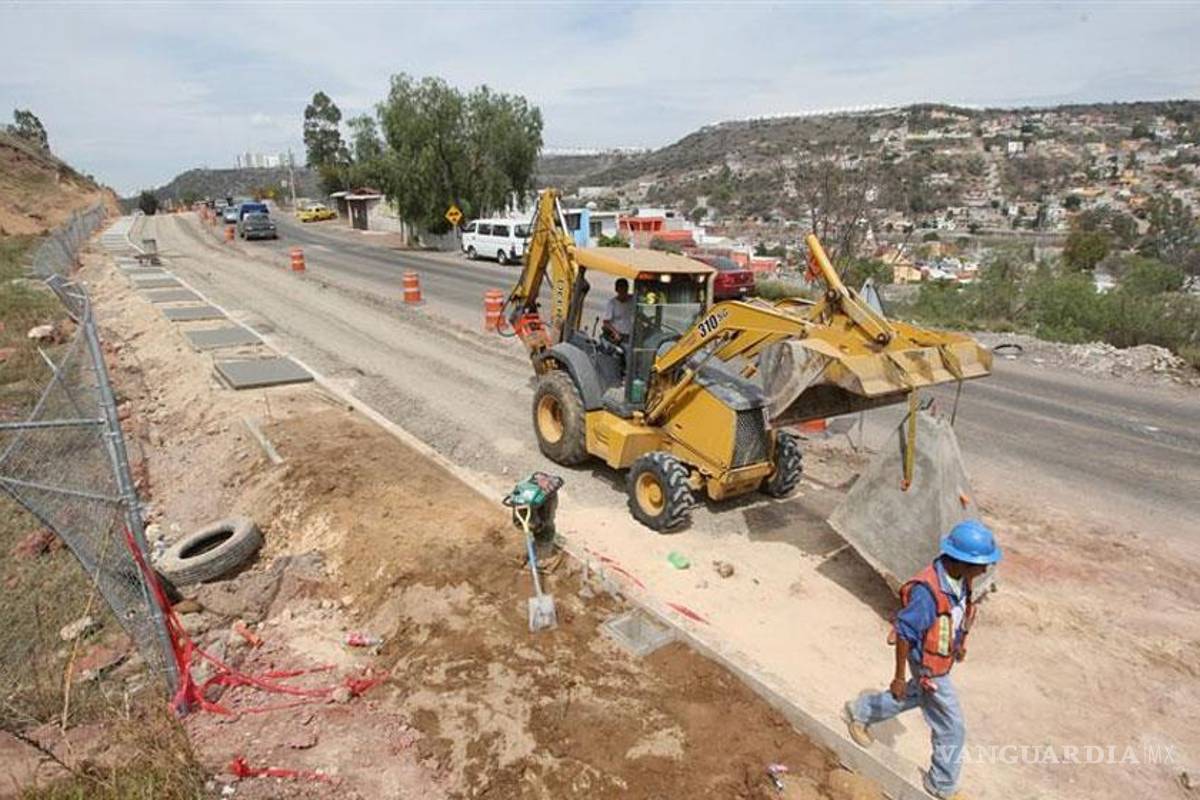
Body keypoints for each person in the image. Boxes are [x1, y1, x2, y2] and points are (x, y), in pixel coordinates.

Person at [845, 519, 1002, 800]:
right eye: (981, 565)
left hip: (939, 662)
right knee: (952, 727)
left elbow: (955, 617)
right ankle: (941, 784)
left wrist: (958, 646)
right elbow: (905, 633)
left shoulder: (960, 580)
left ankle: (860, 711)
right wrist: (898, 676)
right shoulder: (927, 593)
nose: (985, 570)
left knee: (910, 697)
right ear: (963, 561)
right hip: (929, 669)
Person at [602, 278, 634, 344]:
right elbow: (606, 322)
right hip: (618, 336)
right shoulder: (612, 303)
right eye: (620, 288)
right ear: (616, 289)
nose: (623, 290)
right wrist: (615, 333)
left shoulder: (633, 301)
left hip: (631, 336)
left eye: (624, 288)